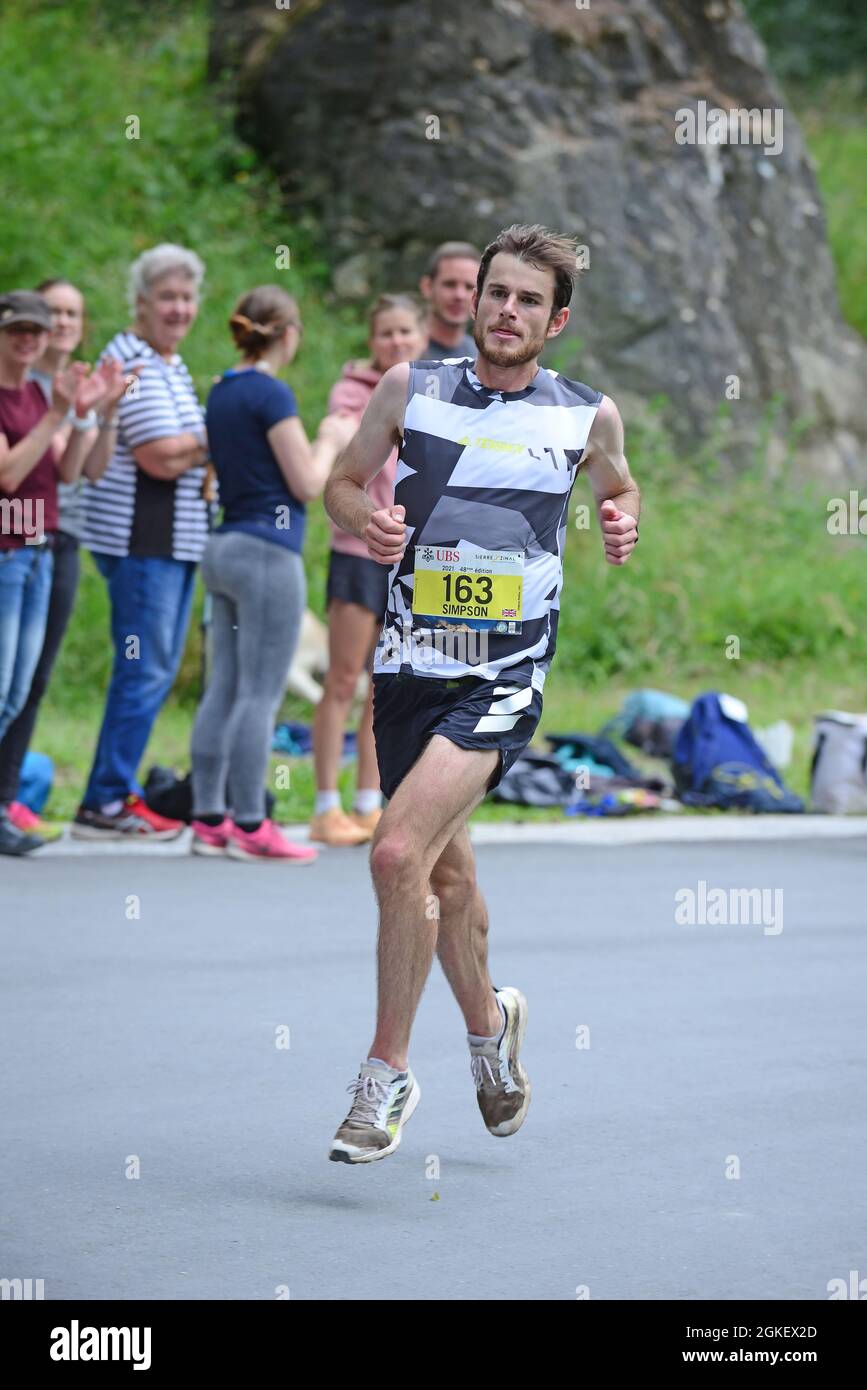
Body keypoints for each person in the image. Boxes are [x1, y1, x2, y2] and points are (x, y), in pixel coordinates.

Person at [323, 224, 640, 1163]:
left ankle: (385, 1075)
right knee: (445, 875)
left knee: (393, 858)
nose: (504, 311)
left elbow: (619, 490)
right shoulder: (408, 388)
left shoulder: (586, 416)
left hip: (502, 676)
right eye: (494, 293)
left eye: (526, 300)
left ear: (556, 320)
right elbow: (341, 483)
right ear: (470, 301)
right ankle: (489, 1027)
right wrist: (368, 519)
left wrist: (619, 522)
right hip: (410, 664)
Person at [189, 286, 354, 862]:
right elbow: (307, 482)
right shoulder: (271, 394)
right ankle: (253, 824)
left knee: (225, 687)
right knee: (261, 693)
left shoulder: (223, 391)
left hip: (224, 545)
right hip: (267, 552)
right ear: (288, 334)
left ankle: (210, 818)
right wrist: (330, 439)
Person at [72, 244, 211, 840]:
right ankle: (103, 801)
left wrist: (199, 444)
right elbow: (157, 456)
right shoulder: (130, 363)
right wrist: (220, 434)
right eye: (167, 298)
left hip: (172, 542)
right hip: (140, 541)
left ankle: (114, 793)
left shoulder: (168, 363)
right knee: (145, 670)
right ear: (141, 303)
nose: (179, 309)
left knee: (151, 670)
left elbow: (183, 447)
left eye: (186, 298)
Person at [0, 279, 128, 842]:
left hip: (38, 548)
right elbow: (7, 477)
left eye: (36, 330)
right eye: (18, 330)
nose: (28, 339)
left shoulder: (33, 395)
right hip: (9, 550)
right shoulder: (22, 398)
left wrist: (96, 413)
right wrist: (58, 413)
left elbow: (71, 471)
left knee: (16, 693)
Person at [310, 294, 428, 848]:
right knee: (342, 680)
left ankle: (366, 804)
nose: (396, 342)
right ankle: (324, 804)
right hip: (358, 552)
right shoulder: (352, 392)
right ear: (372, 340)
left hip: (407, 557)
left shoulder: (434, 390)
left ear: (422, 336)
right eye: (386, 333)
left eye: (406, 332)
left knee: (384, 686)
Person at [418, 241, 480, 361]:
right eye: (450, 284)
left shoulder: (481, 357)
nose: (459, 295)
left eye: (468, 287)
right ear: (427, 287)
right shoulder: (402, 350)